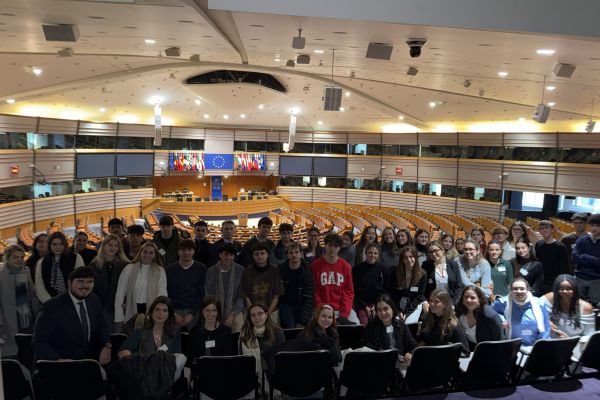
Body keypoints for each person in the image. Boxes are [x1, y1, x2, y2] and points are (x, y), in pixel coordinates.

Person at [32, 267, 111, 364]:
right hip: (58, 363)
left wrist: (107, 346)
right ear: (69, 282)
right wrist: (58, 360)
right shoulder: (51, 307)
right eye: (80, 281)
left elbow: (102, 327)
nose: (85, 286)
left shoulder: (94, 300)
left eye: (89, 282)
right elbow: (39, 342)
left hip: (89, 361)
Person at [118, 296, 186, 381]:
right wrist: (132, 361)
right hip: (144, 374)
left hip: (165, 374)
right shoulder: (140, 332)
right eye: (157, 310)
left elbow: (176, 357)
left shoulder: (174, 334)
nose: (160, 313)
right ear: (151, 312)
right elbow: (123, 350)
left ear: (169, 315)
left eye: (164, 310)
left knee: (181, 358)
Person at [114, 242, 168, 325]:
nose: (147, 255)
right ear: (140, 253)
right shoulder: (129, 268)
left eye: (151, 253)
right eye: (145, 252)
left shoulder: (160, 271)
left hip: (151, 309)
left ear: (155, 255)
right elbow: (120, 293)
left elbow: (162, 294)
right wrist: (119, 316)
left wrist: (161, 313)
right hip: (131, 309)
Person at [311, 233, 358, 324]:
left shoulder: (346, 267)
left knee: (357, 326)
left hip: (341, 309)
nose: (332, 249)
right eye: (330, 245)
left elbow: (348, 292)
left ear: (339, 248)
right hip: (321, 308)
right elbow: (314, 291)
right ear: (325, 245)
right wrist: (322, 308)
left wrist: (344, 314)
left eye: (336, 246)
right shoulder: (315, 266)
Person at [0, 245, 37, 357]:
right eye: (15, 257)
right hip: (7, 318)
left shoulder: (26, 271)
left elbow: (32, 295)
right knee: (11, 352)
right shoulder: (1, 274)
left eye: (21, 257)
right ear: (7, 258)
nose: (19, 260)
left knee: (27, 350)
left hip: (26, 317)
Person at [492, 278, 551, 346]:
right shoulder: (503, 302)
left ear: (527, 290)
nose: (519, 291)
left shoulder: (539, 303)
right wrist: (502, 319)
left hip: (534, 346)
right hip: (513, 346)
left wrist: (543, 345)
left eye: (522, 289)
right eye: (515, 289)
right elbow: (491, 312)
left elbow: (546, 326)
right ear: (511, 290)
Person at [238, 303, 285, 388]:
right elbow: (242, 358)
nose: (256, 317)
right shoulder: (245, 334)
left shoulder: (277, 331)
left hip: (272, 373)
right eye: (253, 315)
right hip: (251, 375)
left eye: (260, 313)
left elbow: (280, 358)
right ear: (250, 318)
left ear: (266, 315)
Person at [89, 233, 130, 331]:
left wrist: (126, 301)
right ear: (104, 246)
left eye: (116, 246)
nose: (113, 248)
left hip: (119, 307)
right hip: (100, 307)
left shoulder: (124, 265)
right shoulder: (94, 265)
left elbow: (129, 287)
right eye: (110, 245)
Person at [166, 239, 207, 330]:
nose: (186, 252)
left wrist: (192, 314)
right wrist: (173, 313)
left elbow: (201, 294)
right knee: (173, 336)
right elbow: (167, 293)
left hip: (194, 310)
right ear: (178, 252)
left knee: (193, 337)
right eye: (183, 250)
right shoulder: (169, 270)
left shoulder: (202, 269)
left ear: (194, 252)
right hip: (174, 311)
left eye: (189, 250)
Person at [363, 295, 417, 365]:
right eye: (379, 310)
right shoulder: (371, 326)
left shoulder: (401, 325)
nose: (383, 313)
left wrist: (409, 354)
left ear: (392, 309)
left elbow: (413, 345)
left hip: (400, 364)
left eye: (386, 308)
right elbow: (367, 346)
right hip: (380, 363)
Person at [204, 244, 245, 332]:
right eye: (225, 254)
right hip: (215, 308)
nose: (228, 258)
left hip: (234, 309)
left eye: (231, 255)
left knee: (239, 331)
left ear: (234, 256)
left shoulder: (240, 270)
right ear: (220, 255)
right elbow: (208, 294)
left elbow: (241, 296)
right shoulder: (211, 271)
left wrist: (232, 315)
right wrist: (214, 312)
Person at [240, 243, 285, 323]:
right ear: (252, 256)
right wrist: (253, 313)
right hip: (252, 309)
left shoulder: (275, 271)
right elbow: (246, 296)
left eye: (262, 253)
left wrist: (267, 314)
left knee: (272, 328)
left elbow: (276, 296)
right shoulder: (247, 271)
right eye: (256, 254)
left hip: (271, 310)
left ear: (267, 254)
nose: (260, 256)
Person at [35, 231, 85, 303]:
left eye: (61, 244)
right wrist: (51, 303)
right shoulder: (42, 262)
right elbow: (39, 287)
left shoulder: (76, 258)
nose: (57, 247)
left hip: (73, 300)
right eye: (54, 244)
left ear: (65, 244)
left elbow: (80, 281)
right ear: (49, 246)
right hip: (50, 303)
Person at [417, 289, 469, 354]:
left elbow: (465, 351)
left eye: (436, 301)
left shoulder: (453, 325)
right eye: (431, 300)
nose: (432, 304)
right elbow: (422, 340)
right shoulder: (427, 319)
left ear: (445, 304)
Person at [455, 286, 503, 351]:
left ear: (479, 300)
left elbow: (499, 341)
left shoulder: (490, 316)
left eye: (472, 298)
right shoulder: (459, 312)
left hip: (490, 351)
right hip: (470, 350)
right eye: (466, 297)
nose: (468, 300)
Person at [278, 242, 314, 328]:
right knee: (289, 327)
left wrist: (303, 321)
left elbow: (309, 299)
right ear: (287, 255)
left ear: (301, 253)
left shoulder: (307, 272)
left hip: (302, 305)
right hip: (286, 306)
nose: (294, 255)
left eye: (296, 252)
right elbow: (280, 297)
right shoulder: (280, 270)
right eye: (291, 253)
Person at [353, 243, 389, 325]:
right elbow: (355, 291)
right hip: (362, 304)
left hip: (379, 303)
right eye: (370, 253)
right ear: (365, 253)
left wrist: (376, 306)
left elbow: (386, 291)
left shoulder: (383, 269)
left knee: (379, 324)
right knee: (365, 324)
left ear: (378, 255)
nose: (372, 255)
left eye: (375, 253)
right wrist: (365, 307)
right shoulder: (357, 269)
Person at [388, 246, 427, 318]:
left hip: (414, 305)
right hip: (397, 305)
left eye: (411, 256)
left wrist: (407, 311)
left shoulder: (422, 274)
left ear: (415, 257)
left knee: (410, 322)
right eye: (405, 258)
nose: (409, 260)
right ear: (402, 260)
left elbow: (420, 295)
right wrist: (398, 311)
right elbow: (393, 294)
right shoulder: (395, 273)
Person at [421, 241, 463, 305]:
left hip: (450, 301)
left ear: (442, 250)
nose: (433, 254)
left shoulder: (453, 264)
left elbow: (458, 286)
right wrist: (425, 302)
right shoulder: (426, 266)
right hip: (433, 302)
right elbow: (423, 287)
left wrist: (453, 304)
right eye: (430, 252)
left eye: (435, 250)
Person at [535, 220, 569, 294]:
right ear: (539, 231)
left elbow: (564, 267)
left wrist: (561, 282)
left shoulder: (560, 246)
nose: (544, 230)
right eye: (541, 228)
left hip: (555, 282)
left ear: (552, 230)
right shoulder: (538, 244)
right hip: (541, 280)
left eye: (547, 228)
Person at [572, 213, 600, 301]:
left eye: (598, 226)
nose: (594, 228)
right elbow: (574, 257)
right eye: (592, 225)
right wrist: (594, 262)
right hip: (580, 277)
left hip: (597, 280)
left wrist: (585, 256)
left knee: (595, 304)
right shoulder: (582, 239)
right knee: (576, 302)